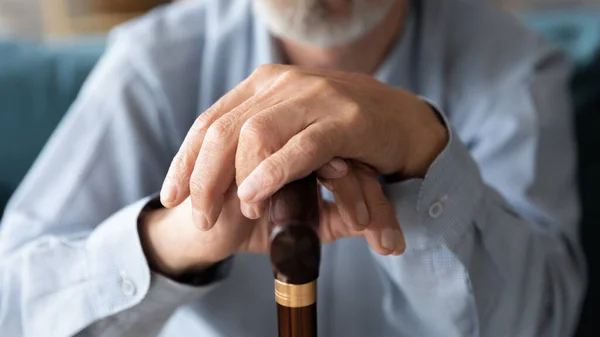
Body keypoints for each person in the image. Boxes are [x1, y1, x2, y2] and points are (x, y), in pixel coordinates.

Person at [0, 0, 586, 336]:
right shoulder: (153, 63)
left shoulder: (515, 66)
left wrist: (425, 154)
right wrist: (170, 240)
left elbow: (545, 323)